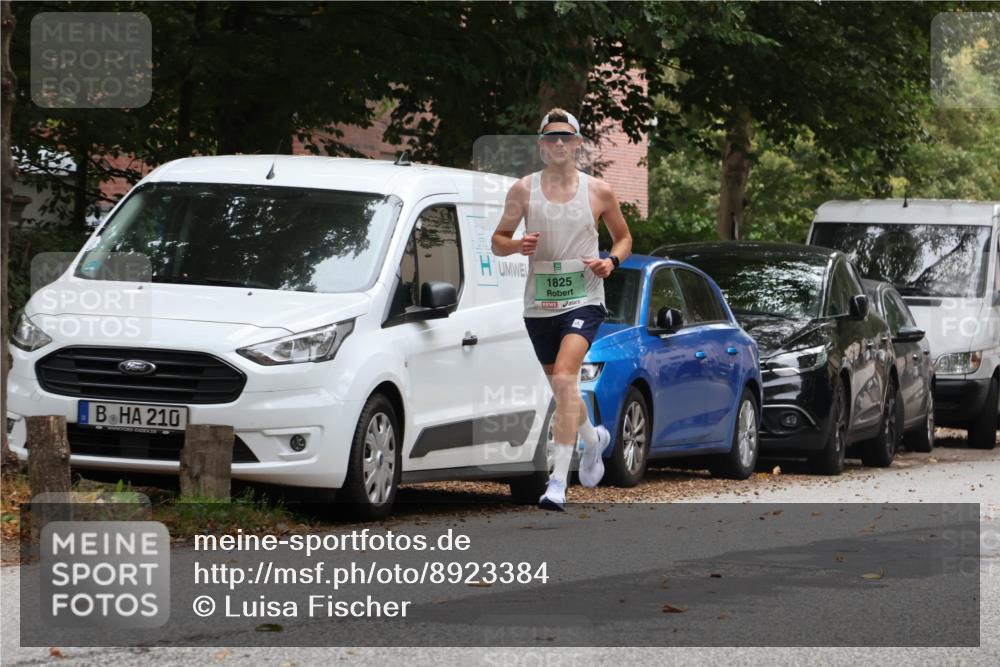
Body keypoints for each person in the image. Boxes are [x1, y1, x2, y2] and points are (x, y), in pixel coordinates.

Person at [491, 108, 633, 511]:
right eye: (551, 138)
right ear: (541, 146)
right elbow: (498, 239)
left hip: (584, 298)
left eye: (565, 138)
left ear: (576, 144)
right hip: (538, 304)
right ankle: (594, 439)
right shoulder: (523, 190)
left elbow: (623, 239)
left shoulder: (599, 191)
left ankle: (557, 482)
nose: (558, 144)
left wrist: (611, 262)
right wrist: (517, 245)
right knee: (562, 386)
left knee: (567, 378)